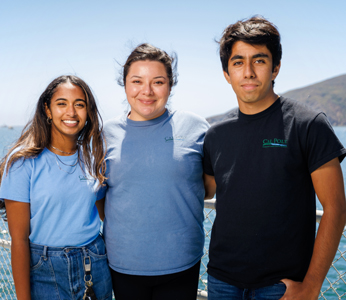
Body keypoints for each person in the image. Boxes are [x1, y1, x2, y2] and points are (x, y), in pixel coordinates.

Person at [203, 16, 346, 300]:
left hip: (282, 286)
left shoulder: (308, 124)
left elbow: (336, 209)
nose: (248, 72)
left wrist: (312, 286)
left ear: (275, 67)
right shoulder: (216, 134)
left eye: (259, 60)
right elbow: (202, 191)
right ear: (226, 73)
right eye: (238, 62)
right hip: (221, 281)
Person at [96, 43, 210, 300]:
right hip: (124, 264)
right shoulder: (104, 136)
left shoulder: (196, 127)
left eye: (157, 82)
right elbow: (101, 199)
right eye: (137, 81)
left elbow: (207, 187)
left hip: (183, 262)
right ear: (124, 84)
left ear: (170, 84)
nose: (146, 91)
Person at [0, 75, 112, 300]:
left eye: (79, 105)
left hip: (95, 264)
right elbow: (19, 240)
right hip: (45, 270)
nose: (71, 112)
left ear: (88, 112)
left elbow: (105, 214)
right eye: (62, 103)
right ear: (48, 110)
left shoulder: (93, 159)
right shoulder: (22, 163)